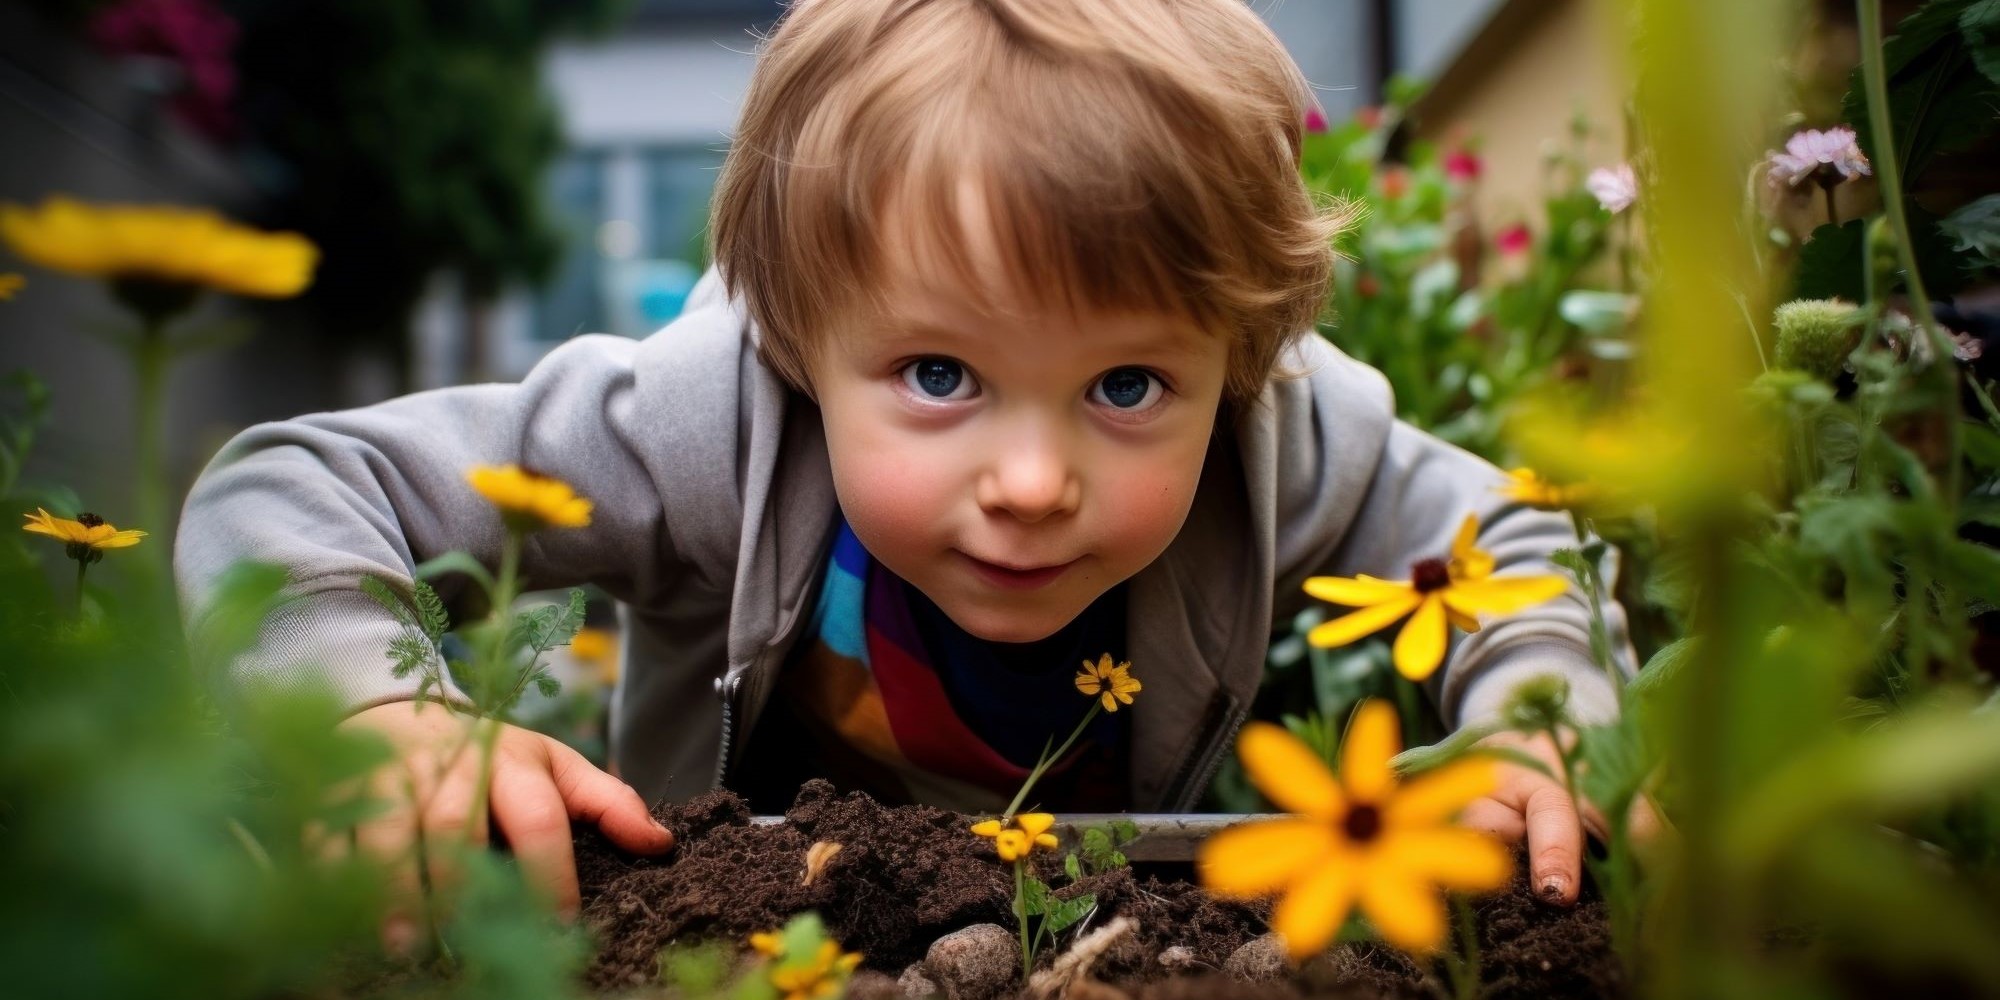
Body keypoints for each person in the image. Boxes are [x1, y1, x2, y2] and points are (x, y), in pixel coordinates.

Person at [175, 0, 1634, 939]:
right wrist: (382, 709)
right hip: (724, 947)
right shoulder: (706, 421)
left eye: (1127, 385)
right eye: (940, 377)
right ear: (806, 337)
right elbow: (294, 475)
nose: (1030, 481)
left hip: (1098, 935)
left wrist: (1535, 731)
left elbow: (1501, 531)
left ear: (1237, 361)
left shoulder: (1279, 444)